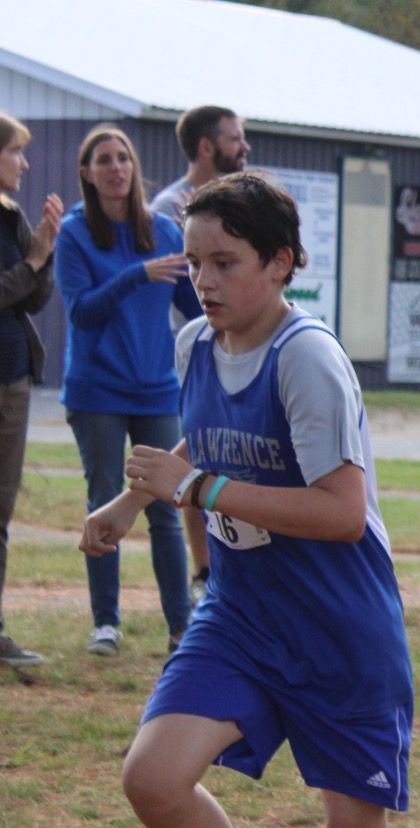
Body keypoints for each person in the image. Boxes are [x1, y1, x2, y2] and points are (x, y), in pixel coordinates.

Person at [80, 172, 420, 828]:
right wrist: (127, 506)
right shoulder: (194, 344)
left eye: (227, 262)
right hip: (243, 612)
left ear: (282, 263)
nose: (205, 280)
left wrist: (196, 491)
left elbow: (338, 509)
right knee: (154, 778)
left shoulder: (308, 358)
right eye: (196, 262)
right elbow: (200, 444)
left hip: (339, 623)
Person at [56, 125, 200, 657]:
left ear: (134, 168)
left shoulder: (164, 231)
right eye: (104, 161)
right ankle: (106, 624)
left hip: (157, 389)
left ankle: (181, 628)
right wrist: (136, 275)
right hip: (96, 391)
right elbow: (82, 312)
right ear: (87, 175)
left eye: (123, 158)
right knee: (104, 499)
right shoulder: (75, 234)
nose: (116, 168)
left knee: (165, 503)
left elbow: (195, 302)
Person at [151, 104, 252, 597]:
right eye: (236, 138)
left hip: (241, 348)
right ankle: (204, 570)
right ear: (208, 147)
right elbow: (172, 296)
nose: (244, 147)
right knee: (201, 452)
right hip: (194, 357)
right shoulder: (169, 207)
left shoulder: (240, 203)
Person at [0, 115, 63, 668]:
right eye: (15, 152)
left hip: (13, 380)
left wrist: (45, 250)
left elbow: (32, 298)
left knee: (0, 509)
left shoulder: (12, 215)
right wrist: (34, 261)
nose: (23, 162)